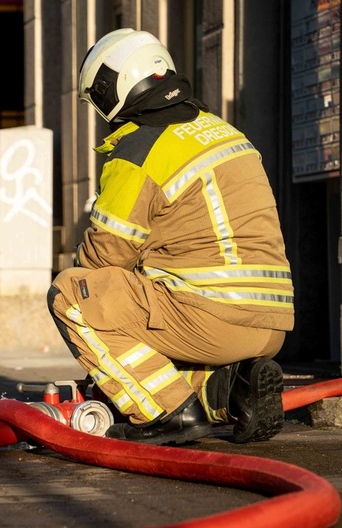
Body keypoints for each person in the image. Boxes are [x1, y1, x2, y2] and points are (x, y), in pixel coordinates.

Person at [47, 29, 294, 445]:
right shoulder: (224, 131)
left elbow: (104, 260)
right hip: (272, 326)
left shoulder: (141, 148)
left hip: (212, 318)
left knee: (73, 294)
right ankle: (234, 390)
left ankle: (166, 414)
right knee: (151, 342)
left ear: (115, 88)